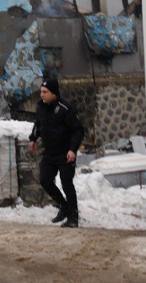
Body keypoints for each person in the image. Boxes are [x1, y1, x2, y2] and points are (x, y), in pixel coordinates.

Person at [29, 79, 85, 228]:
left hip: (65, 153)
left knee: (67, 183)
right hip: (49, 152)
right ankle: (63, 206)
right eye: (41, 91)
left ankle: (73, 217)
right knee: (45, 180)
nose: (42, 95)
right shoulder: (41, 107)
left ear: (54, 93)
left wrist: (73, 149)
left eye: (45, 92)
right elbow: (38, 124)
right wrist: (33, 138)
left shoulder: (66, 108)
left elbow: (78, 130)